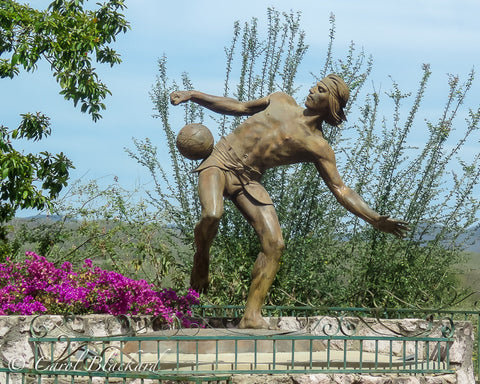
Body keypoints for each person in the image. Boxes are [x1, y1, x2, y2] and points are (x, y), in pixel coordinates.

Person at [170, 74, 409, 329]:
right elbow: (238, 107)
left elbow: (340, 189)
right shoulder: (280, 100)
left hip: (248, 181)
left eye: (320, 90)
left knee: (274, 245)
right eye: (315, 85)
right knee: (212, 214)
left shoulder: (317, 146)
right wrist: (194, 95)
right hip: (220, 160)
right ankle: (202, 255)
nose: (312, 90)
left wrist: (373, 218)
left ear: (332, 103)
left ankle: (251, 316)